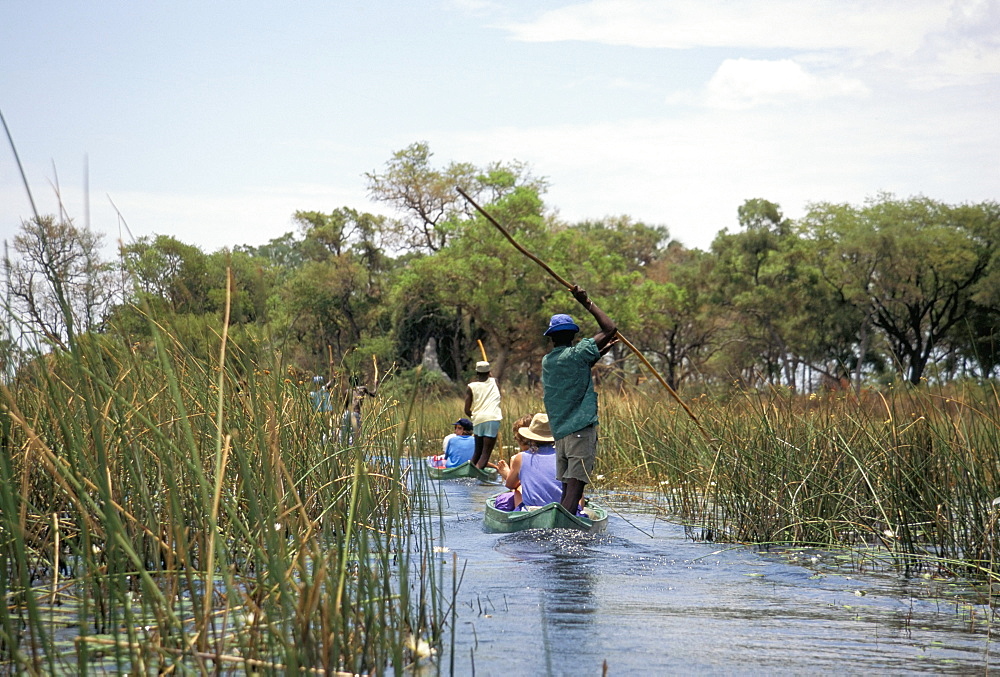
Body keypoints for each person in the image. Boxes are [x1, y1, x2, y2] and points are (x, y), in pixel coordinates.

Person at [541, 285, 618, 514]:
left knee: (567, 487)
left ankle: (561, 523)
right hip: (579, 431)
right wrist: (585, 302)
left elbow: (577, 370)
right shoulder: (577, 354)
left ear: (551, 338)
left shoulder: (549, 361)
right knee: (575, 488)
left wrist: (600, 351)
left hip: (562, 434)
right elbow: (610, 328)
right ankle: (563, 532)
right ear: (574, 336)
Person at [494, 413, 563, 511]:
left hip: (532, 509)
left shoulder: (520, 457)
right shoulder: (564, 456)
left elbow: (510, 485)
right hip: (560, 507)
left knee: (518, 490)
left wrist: (506, 473)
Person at [465, 360, 502, 469]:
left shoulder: (471, 386)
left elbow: (467, 410)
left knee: (477, 453)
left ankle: (469, 473)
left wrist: (474, 417)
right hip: (492, 418)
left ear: (477, 373)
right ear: (489, 372)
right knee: (485, 455)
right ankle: (475, 477)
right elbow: (495, 385)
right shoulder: (495, 382)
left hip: (478, 419)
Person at [493, 414, 533, 510]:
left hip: (527, 503)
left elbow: (511, 485)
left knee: (504, 499)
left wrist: (507, 474)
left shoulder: (517, 458)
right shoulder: (557, 455)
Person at [341, 375, 377, 445]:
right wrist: (376, 384)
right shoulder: (363, 389)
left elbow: (345, 405)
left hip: (346, 413)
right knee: (355, 436)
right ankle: (352, 450)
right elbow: (374, 394)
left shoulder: (347, 391)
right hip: (356, 414)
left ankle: (344, 448)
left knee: (344, 434)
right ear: (358, 381)